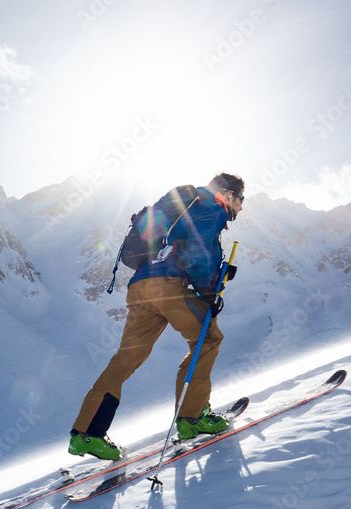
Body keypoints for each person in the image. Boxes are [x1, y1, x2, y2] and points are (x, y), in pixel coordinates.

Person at [68, 173, 246, 461]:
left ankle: (86, 434)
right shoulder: (212, 208)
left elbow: (183, 248)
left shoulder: (187, 206)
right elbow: (197, 249)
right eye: (240, 199)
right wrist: (206, 291)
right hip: (168, 286)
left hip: (140, 287)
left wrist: (216, 276)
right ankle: (191, 418)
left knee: (126, 359)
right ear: (227, 194)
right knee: (208, 339)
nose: (241, 206)